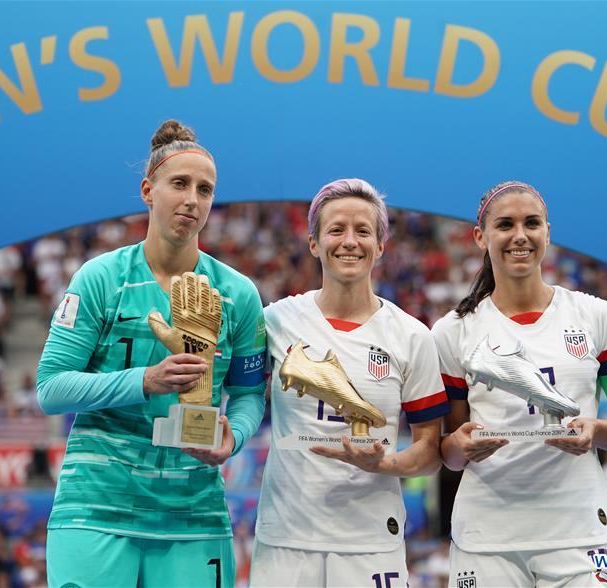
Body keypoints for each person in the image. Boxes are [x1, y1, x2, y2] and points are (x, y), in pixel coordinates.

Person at [36, 120, 268, 588]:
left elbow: (248, 395)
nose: (192, 200)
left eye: (205, 190)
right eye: (179, 184)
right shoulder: (100, 279)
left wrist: (235, 437)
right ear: (148, 190)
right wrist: (147, 380)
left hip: (193, 511)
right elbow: (51, 388)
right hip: (96, 505)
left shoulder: (238, 295)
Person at [433, 181, 607, 587]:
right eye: (506, 225)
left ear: (547, 232)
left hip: (580, 535)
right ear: (481, 237)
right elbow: (449, 450)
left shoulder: (596, 317)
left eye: (531, 223)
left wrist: (596, 430)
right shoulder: (452, 332)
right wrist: (460, 447)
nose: (520, 236)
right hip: (487, 538)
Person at [250, 179, 448, 587]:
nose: (349, 242)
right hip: (285, 539)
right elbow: (240, 396)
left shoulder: (412, 336)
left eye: (363, 231)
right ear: (313, 243)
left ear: (381, 245)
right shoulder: (276, 320)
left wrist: (387, 464)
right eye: (336, 229)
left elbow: (430, 450)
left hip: (371, 539)